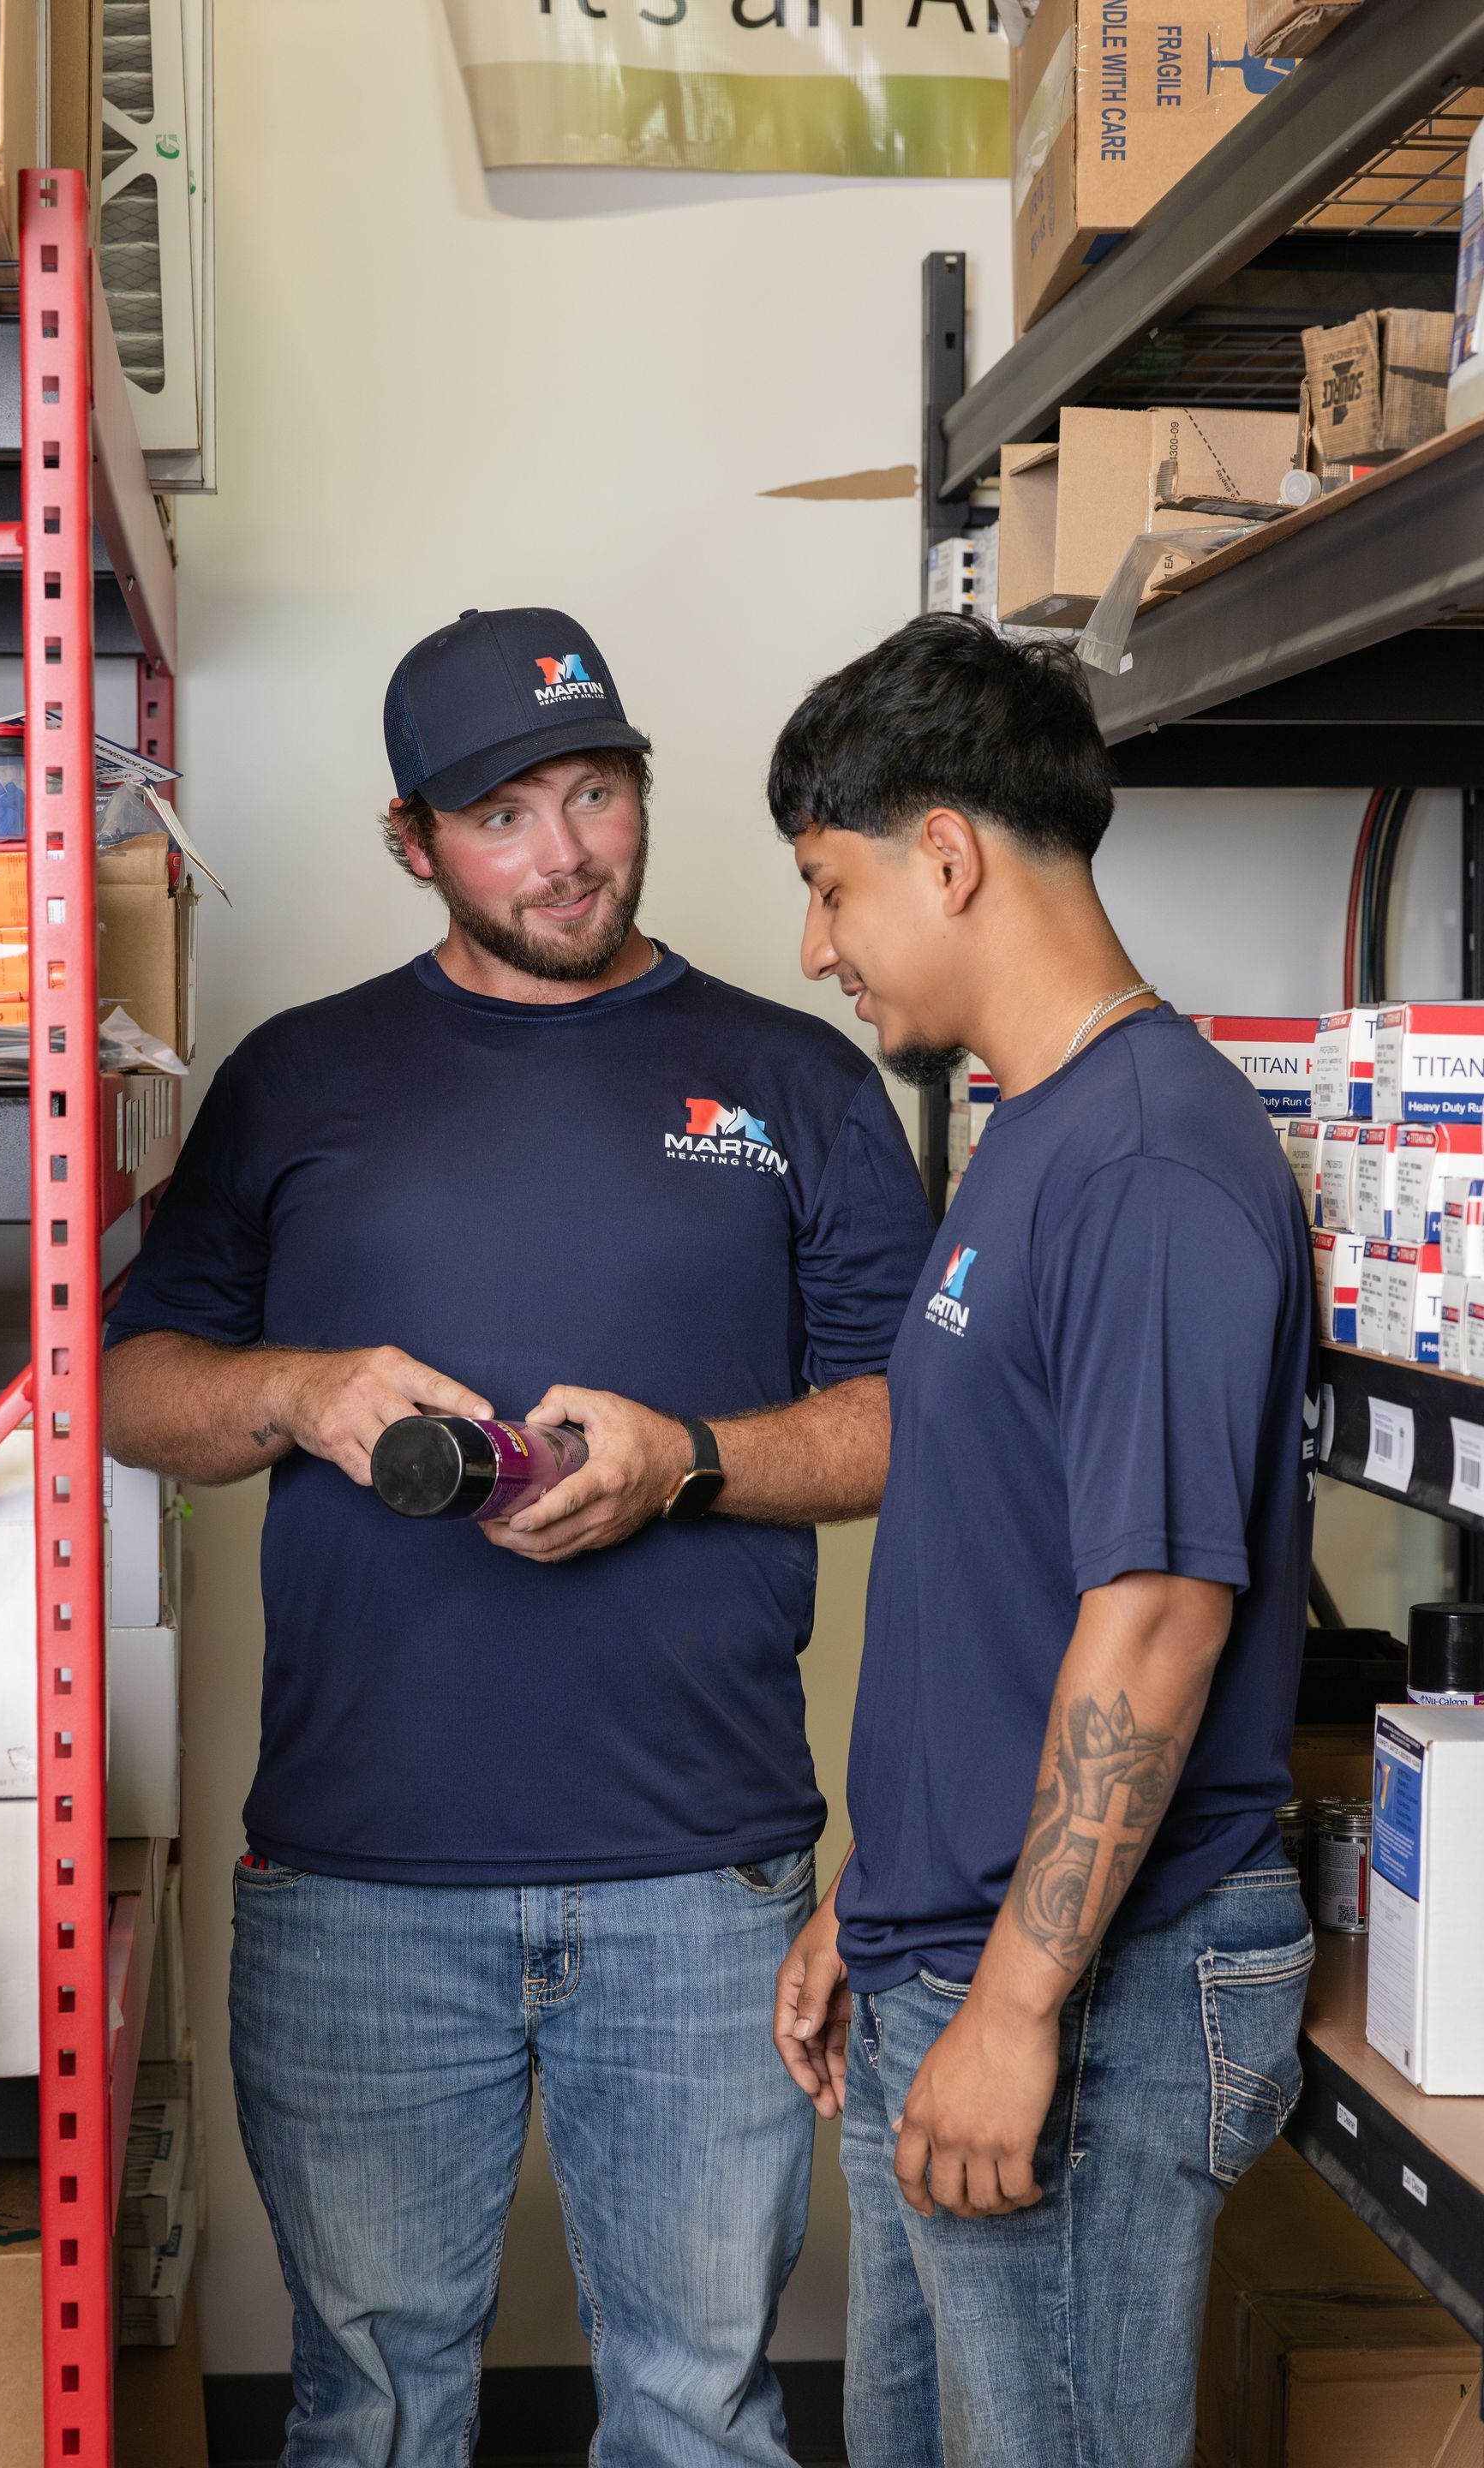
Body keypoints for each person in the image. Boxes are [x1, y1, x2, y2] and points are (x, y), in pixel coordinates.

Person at [102, 605, 934, 2468]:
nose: (566, 852)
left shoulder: (793, 1079)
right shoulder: (300, 1081)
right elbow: (124, 1385)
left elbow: (919, 1420)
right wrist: (299, 1395)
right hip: (361, 1885)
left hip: (703, 1883)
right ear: (414, 843)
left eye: (597, 792)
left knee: (700, 2411)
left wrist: (690, 1460)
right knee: (373, 2412)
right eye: (503, 815)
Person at [764, 614, 1318, 2468]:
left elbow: (1158, 1612)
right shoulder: (1029, 1134)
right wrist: (880, 1886)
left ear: (946, 855)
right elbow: (991, 1557)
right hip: (963, 1945)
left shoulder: (1150, 1159)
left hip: (1094, 1990)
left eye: (830, 887)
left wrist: (1011, 2004)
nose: (817, 944)